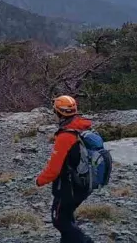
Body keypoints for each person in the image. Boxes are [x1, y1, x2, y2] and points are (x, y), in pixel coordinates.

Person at [35, 95, 95, 243]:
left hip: (69, 186)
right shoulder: (81, 127)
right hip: (84, 182)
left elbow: (54, 169)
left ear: (59, 113)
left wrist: (39, 181)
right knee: (67, 216)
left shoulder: (65, 136)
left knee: (60, 220)